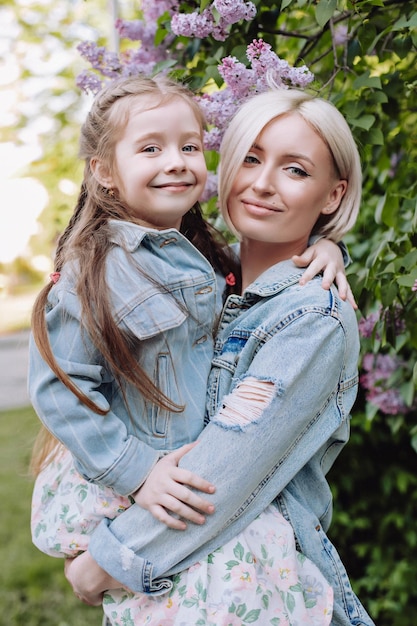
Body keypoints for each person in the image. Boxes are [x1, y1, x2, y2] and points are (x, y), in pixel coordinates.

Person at [29, 77, 350, 625]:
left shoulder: (311, 312)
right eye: (250, 159)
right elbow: (63, 382)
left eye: (295, 170)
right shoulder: (192, 267)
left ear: (332, 194)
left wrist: (101, 566)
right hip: (170, 547)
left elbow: (221, 476)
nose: (265, 184)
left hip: (217, 563)